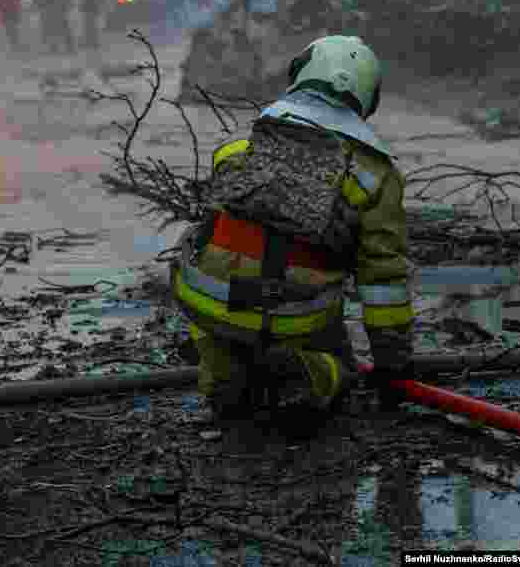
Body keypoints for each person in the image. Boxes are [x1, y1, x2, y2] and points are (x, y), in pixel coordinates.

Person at [172, 35, 414, 430]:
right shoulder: (376, 177)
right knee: (341, 370)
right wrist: (393, 367)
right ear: (366, 97)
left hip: (209, 304)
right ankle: (307, 373)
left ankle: (224, 379)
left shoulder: (237, 150)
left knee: (231, 384)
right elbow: (383, 282)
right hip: (292, 319)